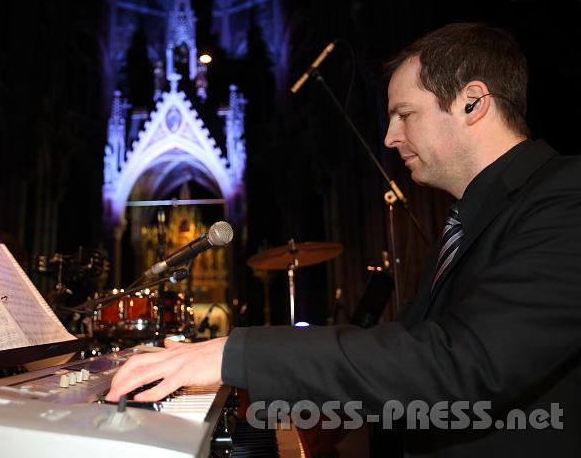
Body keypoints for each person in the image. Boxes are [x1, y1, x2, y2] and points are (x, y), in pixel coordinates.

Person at [107, 23, 581, 456]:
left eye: (404, 114)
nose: (390, 137)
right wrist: (281, 406)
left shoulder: (567, 197)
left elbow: (463, 365)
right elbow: (407, 361)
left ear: (472, 102)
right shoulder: (476, 216)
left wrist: (236, 354)